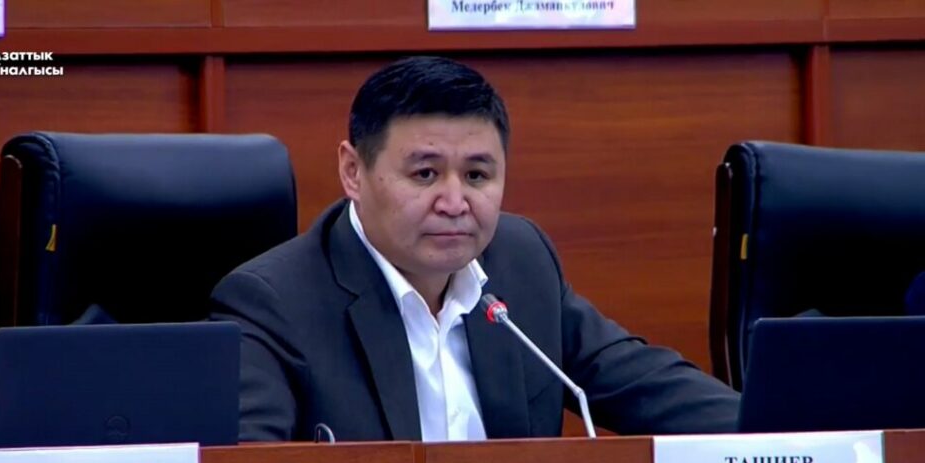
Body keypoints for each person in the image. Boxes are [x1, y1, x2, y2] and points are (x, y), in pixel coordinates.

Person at [210, 56, 739, 442]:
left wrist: (780, 431)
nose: (454, 202)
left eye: (477, 175)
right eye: (425, 174)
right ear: (353, 171)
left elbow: (647, 386)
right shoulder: (274, 303)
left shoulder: (520, 261)